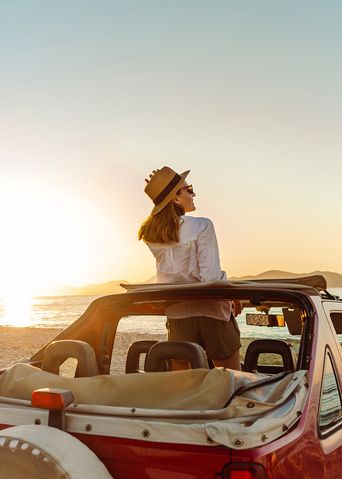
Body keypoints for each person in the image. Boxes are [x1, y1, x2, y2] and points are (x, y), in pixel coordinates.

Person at [138, 166, 241, 370]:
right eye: (189, 189)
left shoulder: (153, 237)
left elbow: (173, 278)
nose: (193, 193)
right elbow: (210, 278)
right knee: (230, 382)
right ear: (176, 198)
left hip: (178, 317)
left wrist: (159, 185)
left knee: (186, 387)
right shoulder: (202, 225)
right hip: (213, 315)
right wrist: (231, 293)